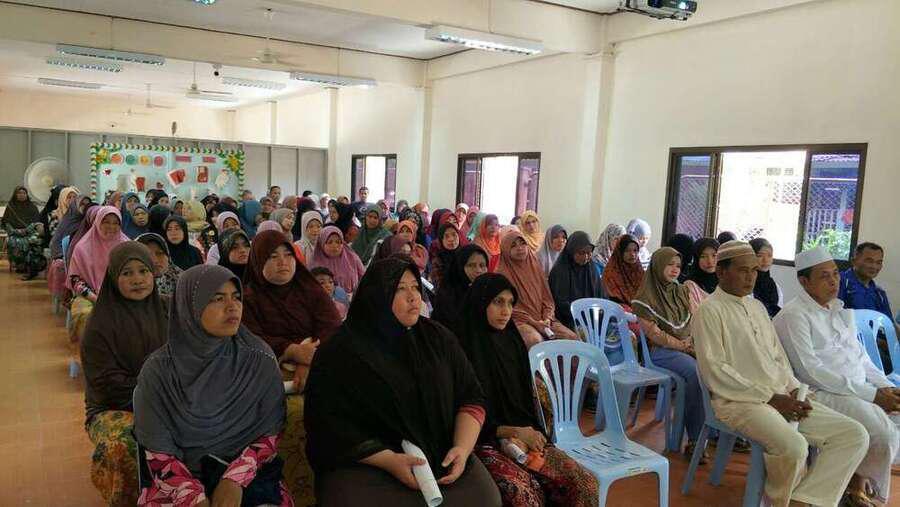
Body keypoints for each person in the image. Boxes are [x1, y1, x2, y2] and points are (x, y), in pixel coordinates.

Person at [304, 257, 501, 507]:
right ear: (377, 295)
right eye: (400, 289)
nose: (413, 297)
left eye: (416, 287)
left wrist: (462, 449)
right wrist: (388, 460)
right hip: (366, 461)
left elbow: (471, 395)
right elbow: (326, 424)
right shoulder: (340, 351)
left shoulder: (437, 338)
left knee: (486, 499)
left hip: (440, 454)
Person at [692, 240, 869, 507]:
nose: (751, 277)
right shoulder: (709, 310)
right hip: (738, 402)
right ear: (721, 272)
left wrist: (793, 388)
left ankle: (802, 501)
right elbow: (715, 370)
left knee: (854, 434)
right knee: (794, 447)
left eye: (754, 270)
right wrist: (771, 398)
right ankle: (784, 502)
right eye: (743, 270)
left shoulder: (757, 307)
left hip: (781, 396)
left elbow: (778, 358)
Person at [133, 265, 292, 507]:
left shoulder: (259, 359)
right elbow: (158, 454)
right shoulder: (158, 372)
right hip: (177, 481)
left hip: (249, 475)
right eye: (218, 299)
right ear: (189, 307)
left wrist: (234, 481)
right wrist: (193, 498)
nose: (232, 306)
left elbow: (270, 434)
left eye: (236, 297)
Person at [455, 273, 599, 506]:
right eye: (498, 302)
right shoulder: (461, 348)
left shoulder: (512, 341)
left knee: (585, 484)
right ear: (481, 302)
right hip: (481, 443)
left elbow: (523, 403)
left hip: (523, 435)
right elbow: (464, 414)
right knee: (525, 496)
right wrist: (511, 432)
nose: (506, 311)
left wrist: (526, 434)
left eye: (510, 303)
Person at [774, 246, 900, 506]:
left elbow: (862, 358)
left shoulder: (838, 310)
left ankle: (857, 477)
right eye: (824, 276)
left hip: (856, 388)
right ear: (804, 281)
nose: (833, 281)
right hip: (819, 393)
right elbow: (810, 372)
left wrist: (887, 387)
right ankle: (858, 486)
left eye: (835, 274)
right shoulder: (794, 315)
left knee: (895, 416)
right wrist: (872, 395)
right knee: (881, 430)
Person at [81, 242, 168, 506]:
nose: (137, 279)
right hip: (113, 405)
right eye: (127, 273)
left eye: (143, 271)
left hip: (168, 396)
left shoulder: (168, 309)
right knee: (127, 446)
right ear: (113, 277)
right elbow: (107, 386)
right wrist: (160, 397)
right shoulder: (99, 326)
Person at [632, 247, 706, 458]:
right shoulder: (644, 297)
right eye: (669, 264)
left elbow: (694, 319)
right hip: (659, 352)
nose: (675, 269)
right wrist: (682, 345)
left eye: (678, 266)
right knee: (696, 372)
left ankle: (714, 431)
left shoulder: (681, 291)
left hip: (685, 346)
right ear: (657, 266)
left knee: (714, 365)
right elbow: (655, 334)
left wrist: (691, 341)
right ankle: (695, 439)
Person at [497, 229, 578, 348]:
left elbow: (547, 298)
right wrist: (534, 323)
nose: (520, 248)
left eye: (523, 243)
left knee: (572, 338)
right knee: (535, 341)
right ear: (505, 249)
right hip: (519, 321)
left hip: (543, 319)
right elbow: (508, 308)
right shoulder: (501, 274)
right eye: (513, 245)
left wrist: (547, 317)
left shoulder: (535, 266)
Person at [839, 242, 897, 373]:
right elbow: (836, 321)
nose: (874, 266)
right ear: (854, 260)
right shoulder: (840, 283)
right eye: (869, 261)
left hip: (879, 345)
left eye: (878, 262)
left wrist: (893, 343)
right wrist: (881, 343)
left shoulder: (879, 293)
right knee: (888, 366)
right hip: (851, 346)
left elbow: (890, 325)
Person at [549, 231, 602, 331]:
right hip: (568, 320)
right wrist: (583, 315)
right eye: (581, 253)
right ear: (571, 251)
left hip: (593, 318)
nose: (586, 257)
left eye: (589, 253)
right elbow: (561, 304)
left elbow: (601, 296)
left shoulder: (591, 268)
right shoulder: (560, 271)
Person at [431, 244, 490, 329]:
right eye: (471, 265)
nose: (478, 270)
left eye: (482, 265)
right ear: (460, 267)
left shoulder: (489, 291)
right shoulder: (447, 296)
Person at [309, 226, 366, 296]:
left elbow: (365, 279)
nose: (335, 246)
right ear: (322, 243)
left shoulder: (352, 258)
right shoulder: (315, 264)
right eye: (330, 242)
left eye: (338, 242)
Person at [2, 185, 41, 276]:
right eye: (19, 193)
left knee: (33, 241)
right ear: (15, 195)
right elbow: (6, 222)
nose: (22, 195)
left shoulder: (32, 207)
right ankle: (19, 265)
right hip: (14, 233)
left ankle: (31, 265)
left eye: (24, 193)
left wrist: (27, 230)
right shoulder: (10, 207)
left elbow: (36, 221)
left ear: (27, 195)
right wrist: (15, 231)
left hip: (29, 232)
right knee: (14, 242)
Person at [601, 234, 645, 308]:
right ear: (620, 252)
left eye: (635, 250)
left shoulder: (639, 272)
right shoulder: (610, 274)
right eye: (627, 251)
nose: (632, 254)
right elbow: (609, 302)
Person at [136, 233, 182, 298]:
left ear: (168, 256)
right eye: (147, 255)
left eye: (160, 253)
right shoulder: (131, 284)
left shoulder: (183, 281)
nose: (155, 260)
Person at [750, 237, 783, 318]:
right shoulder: (745, 284)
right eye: (759, 256)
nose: (765, 260)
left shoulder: (775, 287)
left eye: (769, 256)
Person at [685, 237, 720, 308]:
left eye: (714, 255)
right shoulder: (690, 285)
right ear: (696, 259)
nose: (710, 261)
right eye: (703, 256)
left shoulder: (726, 281)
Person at [428, 221, 462, 289]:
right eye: (446, 236)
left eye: (454, 235)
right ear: (441, 241)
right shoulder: (438, 261)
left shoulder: (466, 254)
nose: (451, 239)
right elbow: (440, 286)